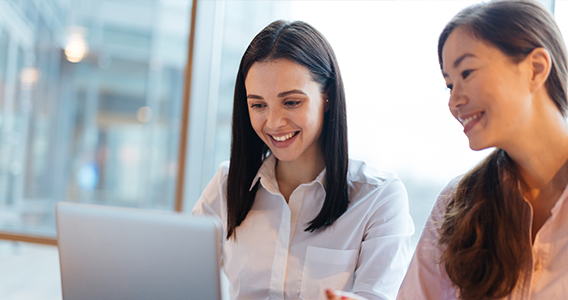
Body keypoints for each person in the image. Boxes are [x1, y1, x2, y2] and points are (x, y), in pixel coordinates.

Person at [191, 20, 414, 300]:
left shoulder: (377, 198)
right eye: (258, 105)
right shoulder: (227, 186)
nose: (274, 122)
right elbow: (177, 275)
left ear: (328, 96)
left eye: (292, 102)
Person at [395, 1, 568, 299]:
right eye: (449, 85)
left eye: (466, 73)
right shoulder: (457, 202)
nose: (454, 101)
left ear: (535, 69)